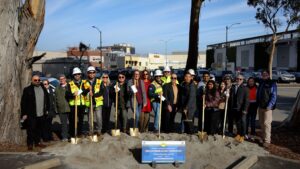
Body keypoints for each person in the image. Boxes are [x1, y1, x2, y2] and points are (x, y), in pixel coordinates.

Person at [21, 74, 49, 150]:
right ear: (32, 80)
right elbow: (23, 102)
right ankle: (30, 144)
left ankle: (37, 143)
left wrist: (47, 109)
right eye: (35, 80)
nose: (37, 81)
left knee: (39, 129)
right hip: (31, 114)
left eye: (38, 80)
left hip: (41, 113)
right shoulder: (27, 89)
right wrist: (24, 113)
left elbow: (47, 99)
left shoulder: (43, 88)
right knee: (31, 130)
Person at [66, 67, 89, 137]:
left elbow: (87, 90)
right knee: (73, 120)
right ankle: (72, 134)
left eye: (78, 74)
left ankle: (79, 133)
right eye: (75, 74)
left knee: (81, 120)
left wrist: (81, 91)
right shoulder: (70, 84)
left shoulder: (84, 82)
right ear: (73, 75)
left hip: (82, 104)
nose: (77, 76)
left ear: (80, 75)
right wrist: (73, 94)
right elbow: (67, 94)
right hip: (74, 105)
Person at [257, 70, 277, 148]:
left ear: (268, 75)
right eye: (263, 74)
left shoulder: (272, 83)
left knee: (267, 123)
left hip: (267, 107)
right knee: (261, 123)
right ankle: (263, 138)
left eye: (266, 74)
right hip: (260, 106)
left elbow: (274, 96)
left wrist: (270, 105)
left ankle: (267, 141)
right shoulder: (261, 83)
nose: (264, 75)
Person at [85, 66, 103, 135]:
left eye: (93, 72)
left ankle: (99, 130)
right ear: (88, 73)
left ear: (95, 73)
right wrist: (87, 91)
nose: (92, 74)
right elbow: (83, 91)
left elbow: (101, 92)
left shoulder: (99, 81)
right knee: (90, 118)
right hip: (89, 103)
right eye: (90, 73)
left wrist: (94, 95)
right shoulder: (85, 82)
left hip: (97, 102)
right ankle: (91, 130)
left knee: (98, 118)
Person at [230, 74, 249, 143]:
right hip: (234, 108)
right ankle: (238, 133)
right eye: (237, 79)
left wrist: (245, 110)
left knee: (243, 122)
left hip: (242, 109)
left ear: (243, 80)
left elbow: (247, 100)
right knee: (237, 122)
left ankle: (242, 135)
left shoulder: (245, 89)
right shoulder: (233, 87)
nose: (238, 80)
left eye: (240, 79)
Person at [55, 74, 70, 142]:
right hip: (61, 108)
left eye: (63, 79)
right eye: (60, 79)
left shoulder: (69, 86)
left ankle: (72, 135)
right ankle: (64, 137)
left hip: (70, 108)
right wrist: (56, 108)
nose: (62, 80)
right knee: (63, 123)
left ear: (65, 79)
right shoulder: (57, 88)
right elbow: (55, 99)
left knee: (71, 123)